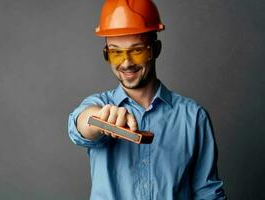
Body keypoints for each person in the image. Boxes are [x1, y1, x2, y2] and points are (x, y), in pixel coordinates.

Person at [68, 0, 226, 199]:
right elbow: (79, 125)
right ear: (106, 54)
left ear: (156, 49)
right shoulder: (98, 105)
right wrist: (99, 119)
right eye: (116, 52)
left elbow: (208, 193)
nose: (126, 63)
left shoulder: (193, 116)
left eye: (137, 50)